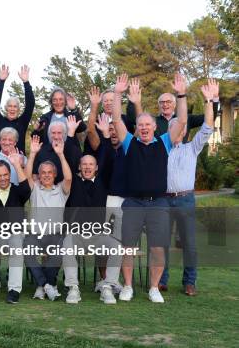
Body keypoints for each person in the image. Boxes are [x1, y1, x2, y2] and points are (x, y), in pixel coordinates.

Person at [111, 73, 187, 303]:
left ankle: (154, 288)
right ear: (137, 127)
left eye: (148, 124)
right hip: (133, 202)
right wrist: (117, 93)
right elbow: (115, 119)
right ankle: (128, 286)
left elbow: (182, 121)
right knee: (128, 247)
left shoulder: (164, 142)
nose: (144, 128)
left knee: (157, 248)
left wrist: (181, 94)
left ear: (155, 127)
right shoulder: (129, 142)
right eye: (140, 124)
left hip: (158, 203)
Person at [159, 79, 217, 296]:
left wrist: (209, 100)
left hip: (185, 200)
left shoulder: (192, 148)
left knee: (190, 245)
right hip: (164, 199)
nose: (178, 129)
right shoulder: (161, 149)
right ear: (169, 131)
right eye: (174, 126)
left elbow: (208, 126)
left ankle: (189, 282)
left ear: (184, 132)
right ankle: (161, 280)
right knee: (162, 242)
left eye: (181, 127)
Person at [62, 126, 122, 304]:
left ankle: (107, 286)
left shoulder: (103, 182)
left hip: (99, 236)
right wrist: (71, 135)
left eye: (91, 165)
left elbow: (107, 156)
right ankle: (73, 288)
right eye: (84, 165)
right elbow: (69, 154)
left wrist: (104, 136)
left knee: (117, 247)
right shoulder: (72, 183)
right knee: (67, 242)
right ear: (79, 167)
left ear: (96, 168)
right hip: (77, 236)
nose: (87, 167)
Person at [24, 135, 72, 301]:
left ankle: (41, 285)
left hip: (55, 234)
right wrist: (32, 154)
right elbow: (27, 176)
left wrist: (60, 154)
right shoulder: (35, 189)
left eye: (49, 173)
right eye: (43, 173)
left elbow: (69, 178)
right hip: (36, 234)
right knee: (26, 249)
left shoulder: (61, 190)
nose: (46, 175)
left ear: (54, 174)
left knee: (61, 250)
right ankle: (47, 285)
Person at [0, 156, 30, 304]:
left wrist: (16, 164)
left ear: (10, 175)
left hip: (13, 234)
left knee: (16, 244)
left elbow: (26, 189)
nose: (2, 178)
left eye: (5, 175)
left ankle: (14, 290)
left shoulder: (17, 191)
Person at [126, 80, 219, 141]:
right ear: (159, 105)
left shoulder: (186, 119)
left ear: (174, 104)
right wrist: (133, 102)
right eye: (162, 102)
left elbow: (210, 118)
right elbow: (134, 119)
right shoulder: (153, 121)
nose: (165, 104)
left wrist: (214, 99)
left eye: (168, 102)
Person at [0, 64, 35, 153]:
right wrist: (1, 81)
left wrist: (26, 82)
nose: (12, 109)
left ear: (18, 109)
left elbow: (30, 104)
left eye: (15, 106)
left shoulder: (23, 122)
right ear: (6, 108)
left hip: (18, 163)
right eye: (10, 106)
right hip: (0, 163)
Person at [84, 84, 137, 155]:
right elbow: (92, 141)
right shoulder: (96, 123)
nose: (108, 103)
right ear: (102, 103)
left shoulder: (127, 121)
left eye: (112, 100)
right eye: (106, 101)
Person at [30, 119, 82, 184]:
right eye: (53, 133)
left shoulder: (74, 150)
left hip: (71, 190)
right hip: (46, 191)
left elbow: (80, 173)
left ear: (65, 134)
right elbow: (35, 174)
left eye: (59, 133)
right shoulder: (41, 151)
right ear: (49, 134)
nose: (56, 137)